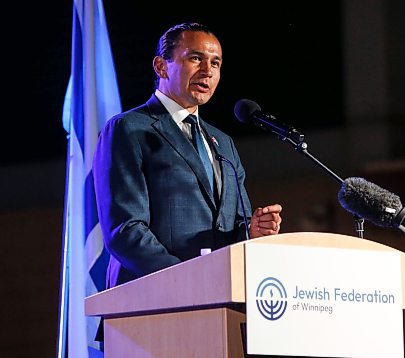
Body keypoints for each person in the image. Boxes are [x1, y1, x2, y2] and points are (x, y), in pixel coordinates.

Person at [93, 22, 283, 289]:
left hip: (218, 296)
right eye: (196, 58)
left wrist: (251, 231)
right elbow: (125, 230)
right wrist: (186, 279)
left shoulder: (224, 144)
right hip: (152, 298)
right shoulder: (129, 129)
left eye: (216, 63)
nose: (207, 71)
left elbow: (230, 226)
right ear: (161, 66)